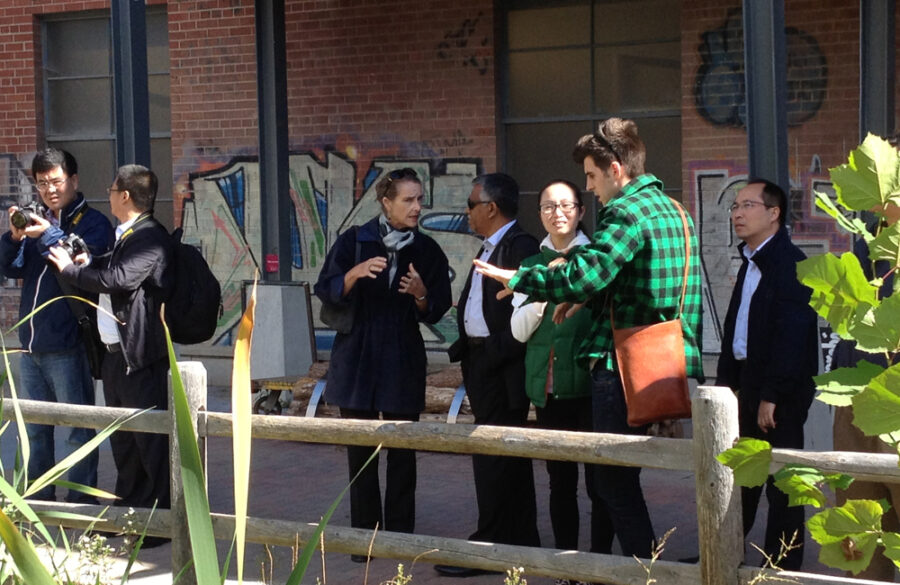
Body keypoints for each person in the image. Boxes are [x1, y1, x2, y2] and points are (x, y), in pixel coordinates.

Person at [474, 118, 703, 560]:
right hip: (665, 360)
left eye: (593, 177)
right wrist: (591, 301)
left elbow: (587, 272)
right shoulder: (676, 210)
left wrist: (523, 276)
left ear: (616, 170)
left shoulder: (626, 212)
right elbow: (643, 283)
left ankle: (645, 569)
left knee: (610, 481)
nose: (591, 188)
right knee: (620, 478)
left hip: (620, 367)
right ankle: (644, 564)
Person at [313, 168, 451, 555]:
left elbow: (437, 308)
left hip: (402, 354)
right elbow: (325, 288)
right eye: (408, 200)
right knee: (360, 451)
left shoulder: (427, 250)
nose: (416, 207)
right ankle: (365, 537)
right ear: (386, 202)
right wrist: (353, 275)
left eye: (419, 199)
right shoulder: (355, 240)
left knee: (403, 450)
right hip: (357, 354)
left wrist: (422, 295)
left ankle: (401, 538)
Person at [48, 164, 173, 545]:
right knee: (124, 442)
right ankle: (128, 514)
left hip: (142, 357)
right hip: (117, 357)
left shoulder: (151, 237)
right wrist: (89, 264)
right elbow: (111, 270)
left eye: (113, 186)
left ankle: (159, 524)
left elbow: (119, 279)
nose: (107, 189)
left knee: (150, 442)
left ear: (125, 196)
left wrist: (71, 270)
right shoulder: (127, 235)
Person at [436, 173, 540, 578]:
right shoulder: (492, 245)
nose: (467, 212)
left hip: (501, 368)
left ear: (491, 208)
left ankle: (496, 542)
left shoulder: (520, 246)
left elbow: (529, 313)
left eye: (471, 204)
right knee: (498, 453)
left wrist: (491, 354)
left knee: (496, 452)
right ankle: (514, 538)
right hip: (482, 363)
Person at [0, 148, 114, 503]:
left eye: (56, 181)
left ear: (74, 181)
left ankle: (80, 502)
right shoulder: (38, 220)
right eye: (42, 183)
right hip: (31, 347)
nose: (49, 190)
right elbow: (12, 268)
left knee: (78, 431)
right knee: (34, 430)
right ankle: (38, 500)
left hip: (69, 344)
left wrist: (48, 232)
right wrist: (15, 238)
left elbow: (86, 264)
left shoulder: (93, 223)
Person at [510, 179, 613, 567]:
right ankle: (566, 565)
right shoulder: (530, 265)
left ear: (581, 211)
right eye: (548, 207)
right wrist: (547, 288)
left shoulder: (598, 258)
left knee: (600, 483)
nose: (558, 214)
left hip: (592, 386)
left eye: (566, 205)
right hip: (549, 389)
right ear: (539, 214)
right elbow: (519, 331)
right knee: (560, 482)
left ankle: (601, 563)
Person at [716, 179, 818, 570]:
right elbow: (736, 331)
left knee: (782, 484)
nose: (737, 213)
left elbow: (791, 338)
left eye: (748, 205)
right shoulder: (751, 261)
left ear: (773, 213)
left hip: (779, 394)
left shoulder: (790, 265)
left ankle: (783, 567)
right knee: (740, 479)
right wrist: (727, 389)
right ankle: (725, 557)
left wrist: (771, 395)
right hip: (747, 385)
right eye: (735, 206)